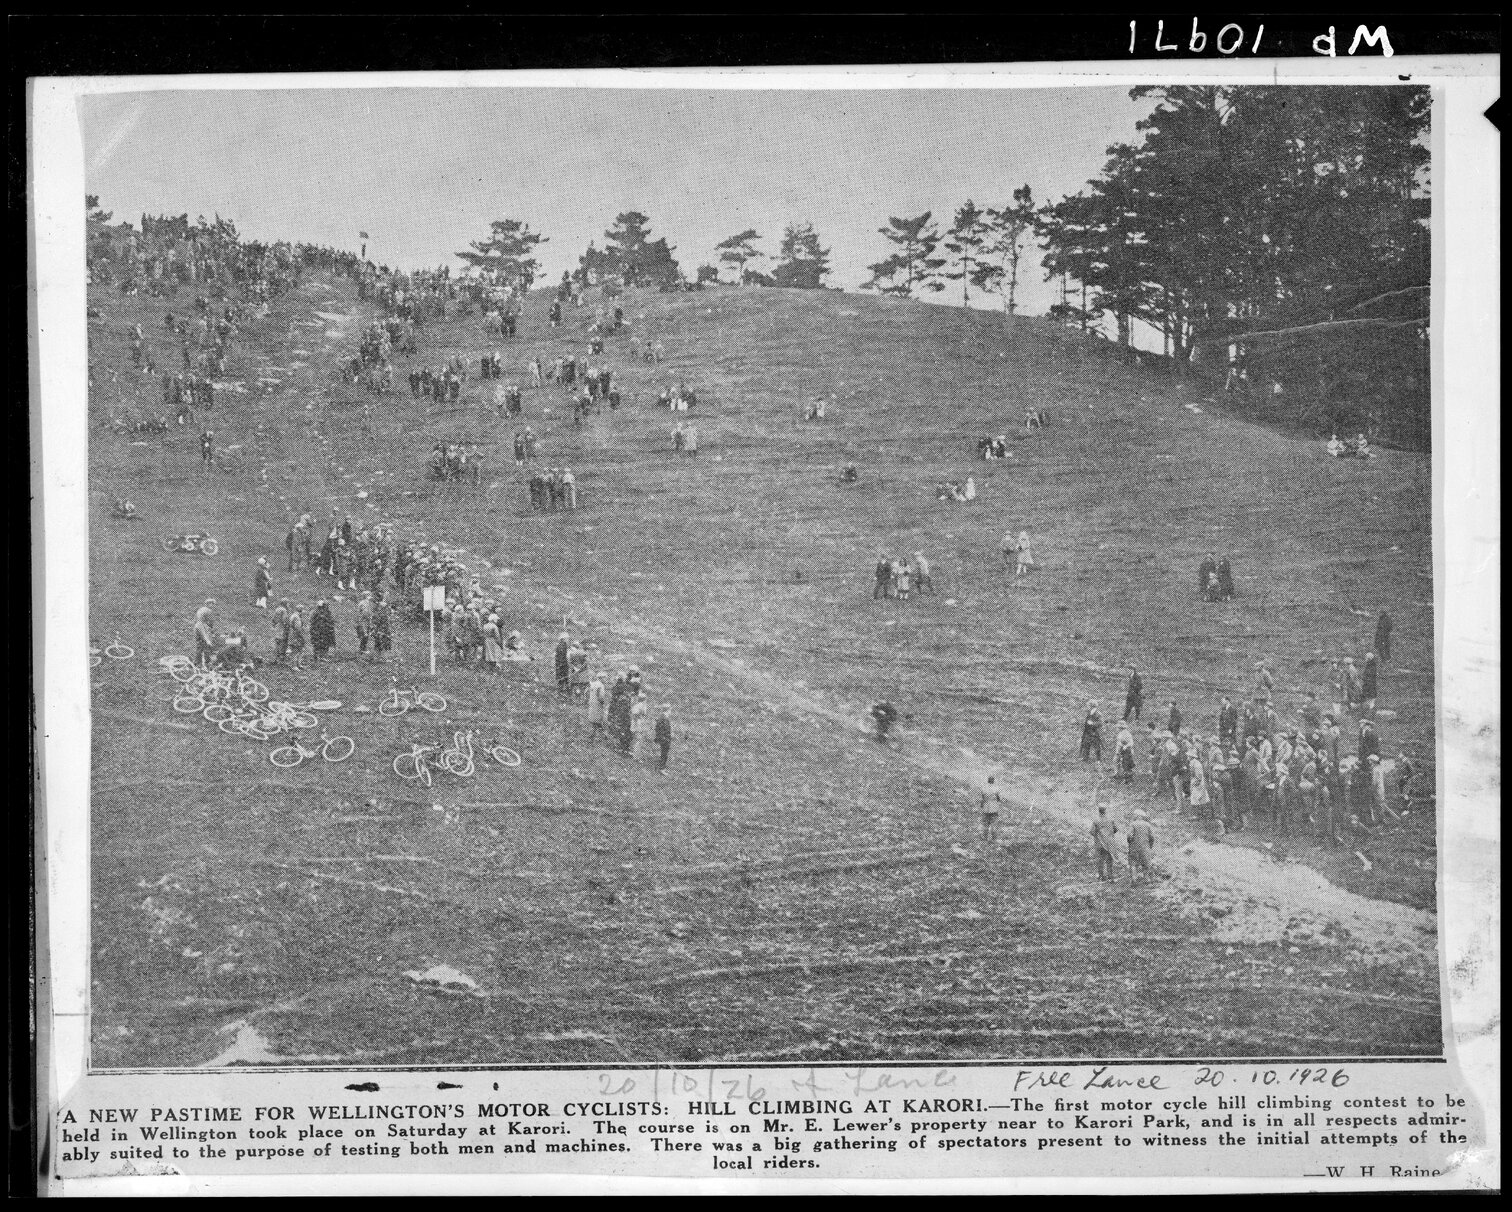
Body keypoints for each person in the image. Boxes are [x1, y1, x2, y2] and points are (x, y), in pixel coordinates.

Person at [1091, 805, 1119, 883]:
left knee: (1100, 860)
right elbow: (1116, 829)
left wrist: (1098, 835)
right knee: (1109, 860)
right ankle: (1110, 876)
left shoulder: (1096, 821)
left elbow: (1092, 832)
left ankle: (1101, 876)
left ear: (1099, 811)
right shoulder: (1111, 820)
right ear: (1105, 811)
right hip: (1109, 842)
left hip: (1100, 843)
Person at [1127, 809, 1156, 885]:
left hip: (1134, 847)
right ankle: (1147, 879)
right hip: (1145, 847)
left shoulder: (1133, 824)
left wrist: (1130, 842)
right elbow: (1152, 837)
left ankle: (1134, 879)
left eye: (1134, 815)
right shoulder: (1147, 825)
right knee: (1146, 863)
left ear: (1137, 816)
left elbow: (1129, 836)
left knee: (1133, 864)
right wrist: (1150, 846)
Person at [310, 599, 336, 663]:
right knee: (317, 644)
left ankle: (322, 656)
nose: (326, 607)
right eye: (325, 605)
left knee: (325, 644)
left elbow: (330, 620)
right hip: (318, 631)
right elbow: (313, 622)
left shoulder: (327, 612)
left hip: (326, 631)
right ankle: (316, 657)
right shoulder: (316, 612)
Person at [979, 774, 1003, 842]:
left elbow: (982, 798)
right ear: (993, 781)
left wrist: (982, 806)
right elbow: (998, 799)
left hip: (986, 808)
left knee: (985, 824)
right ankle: (994, 839)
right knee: (994, 824)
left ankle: (985, 838)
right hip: (994, 809)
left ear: (988, 781)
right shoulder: (996, 788)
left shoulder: (984, 788)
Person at [193, 599, 217, 666]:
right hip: (203, 626)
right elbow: (210, 622)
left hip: (197, 626)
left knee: (199, 646)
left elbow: (196, 620)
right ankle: (207, 663)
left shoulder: (200, 609)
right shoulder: (208, 610)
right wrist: (211, 630)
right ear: (209, 604)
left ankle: (197, 663)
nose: (213, 605)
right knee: (207, 645)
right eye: (212, 604)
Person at [285, 603, 306, 671]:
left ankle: (298, 664)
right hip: (296, 636)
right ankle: (294, 666)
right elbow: (298, 628)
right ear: (300, 610)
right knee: (296, 651)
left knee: (299, 650)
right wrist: (301, 636)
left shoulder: (294, 615)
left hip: (293, 635)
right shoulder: (297, 617)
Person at [654, 706, 674, 774]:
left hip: (663, 738)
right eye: (670, 710)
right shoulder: (664, 718)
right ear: (668, 710)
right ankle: (661, 768)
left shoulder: (661, 717)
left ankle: (662, 767)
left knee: (664, 754)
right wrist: (665, 738)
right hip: (665, 739)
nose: (671, 712)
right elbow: (663, 730)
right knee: (664, 754)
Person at [587, 672, 607, 737]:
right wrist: (603, 703)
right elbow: (601, 697)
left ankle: (592, 734)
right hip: (598, 704)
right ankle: (603, 735)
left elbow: (587, 692)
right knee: (599, 720)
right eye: (604, 678)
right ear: (601, 678)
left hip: (592, 703)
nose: (605, 679)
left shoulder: (592, 684)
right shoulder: (601, 685)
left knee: (593, 720)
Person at [270, 598, 289, 664]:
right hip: (282, 628)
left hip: (277, 627)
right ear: (285, 603)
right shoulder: (284, 610)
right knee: (282, 643)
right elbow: (284, 620)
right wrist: (287, 627)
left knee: (276, 643)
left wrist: (274, 625)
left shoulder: (277, 609)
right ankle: (281, 659)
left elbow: (273, 619)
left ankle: (275, 658)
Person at [355, 591, 374, 657]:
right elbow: (364, 613)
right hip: (362, 621)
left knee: (367, 634)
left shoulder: (367, 603)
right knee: (364, 635)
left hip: (366, 621)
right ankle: (362, 649)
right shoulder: (363, 603)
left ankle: (363, 648)